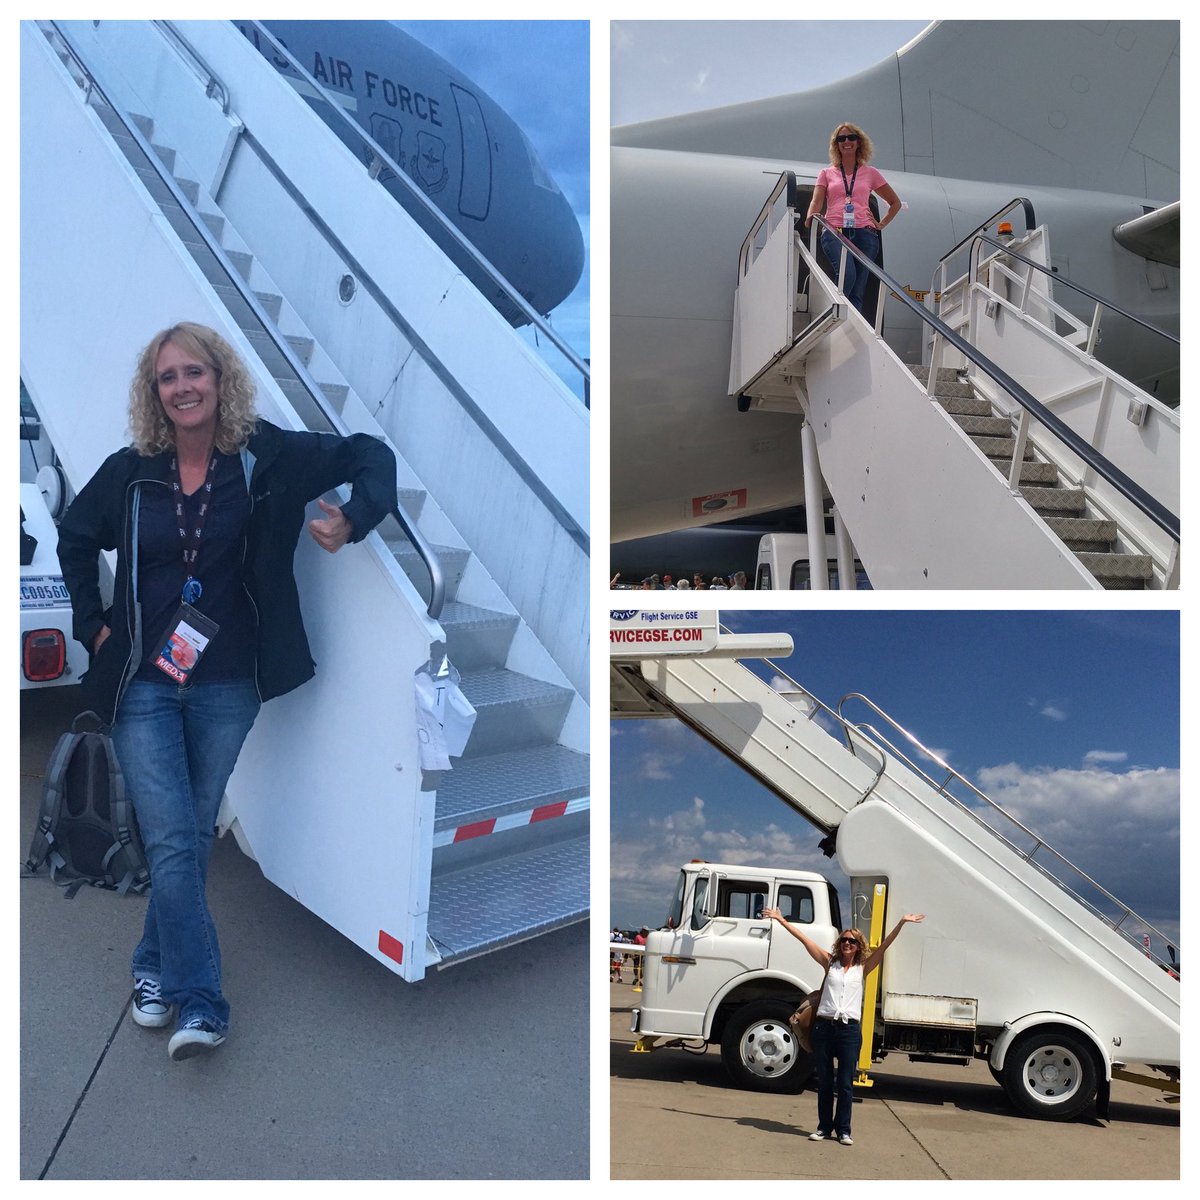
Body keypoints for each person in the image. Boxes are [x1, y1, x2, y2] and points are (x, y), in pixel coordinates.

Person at [57, 322, 397, 1062]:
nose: (182, 387)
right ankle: (203, 1001)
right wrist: (95, 626)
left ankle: (150, 969)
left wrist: (356, 516)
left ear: (220, 378)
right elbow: (75, 536)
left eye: (194, 373)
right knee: (177, 839)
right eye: (167, 378)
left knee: (190, 831)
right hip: (144, 683)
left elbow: (369, 453)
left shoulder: (266, 457)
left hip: (227, 684)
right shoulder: (132, 470)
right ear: (156, 394)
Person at [762, 907, 925, 1145]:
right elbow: (804, 940)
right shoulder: (830, 963)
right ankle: (823, 1128)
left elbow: (885, 946)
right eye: (844, 940)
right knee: (825, 1081)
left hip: (848, 1031)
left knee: (846, 1083)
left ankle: (844, 1130)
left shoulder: (863, 968)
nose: (847, 943)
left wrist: (901, 922)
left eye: (852, 941)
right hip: (824, 1029)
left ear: (858, 946)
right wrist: (781, 920)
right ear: (840, 944)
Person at [804, 122, 902, 317]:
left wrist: (881, 223)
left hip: (865, 234)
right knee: (847, 276)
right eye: (841, 139)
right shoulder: (826, 173)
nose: (846, 142)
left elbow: (895, 203)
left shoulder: (870, 173)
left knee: (858, 289)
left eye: (851, 138)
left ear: (859, 142)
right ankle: (834, 315)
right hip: (835, 231)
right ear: (836, 144)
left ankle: (848, 325)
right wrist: (810, 217)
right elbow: (817, 200)